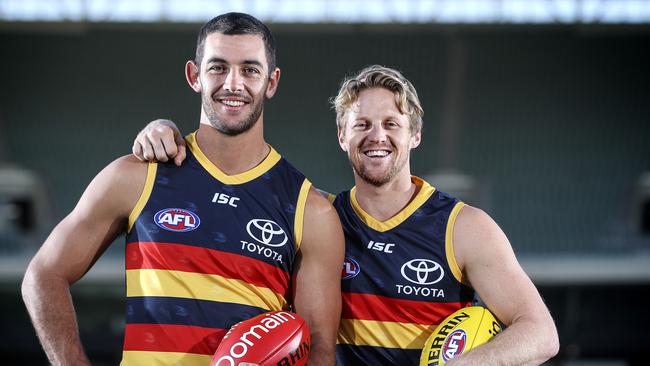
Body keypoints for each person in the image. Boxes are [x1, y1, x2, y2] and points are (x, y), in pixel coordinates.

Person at [133, 65, 559, 365]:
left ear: (415, 135)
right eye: (362, 124)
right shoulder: (318, 217)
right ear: (342, 136)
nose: (377, 136)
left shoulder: (464, 227)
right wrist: (164, 130)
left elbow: (541, 334)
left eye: (392, 124)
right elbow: (228, 180)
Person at [22, 12, 344, 366]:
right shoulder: (137, 176)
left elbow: (320, 350)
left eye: (250, 70)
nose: (233, 83)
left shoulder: (309, 209)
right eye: (218, 67)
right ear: (194, 75)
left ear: (272, 82)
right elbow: (44, 275)